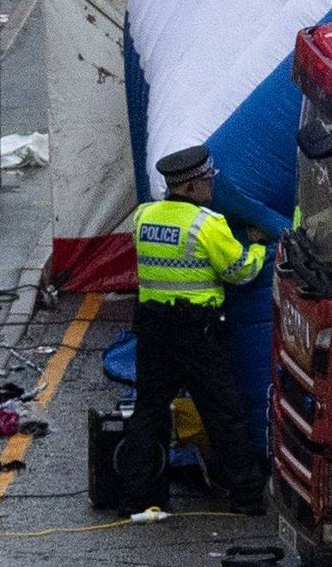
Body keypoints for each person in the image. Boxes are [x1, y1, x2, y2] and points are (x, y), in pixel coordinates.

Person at [108, 144, 268, 512]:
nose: (212, 186)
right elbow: (240, 272)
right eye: (208, 180)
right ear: (193, 186)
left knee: (149, 409)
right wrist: (258, 247)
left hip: (151, 326)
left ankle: (137, 495)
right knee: (222, 410)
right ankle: (246, 495)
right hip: (196, 331)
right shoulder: (207, 225)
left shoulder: (144, 216)